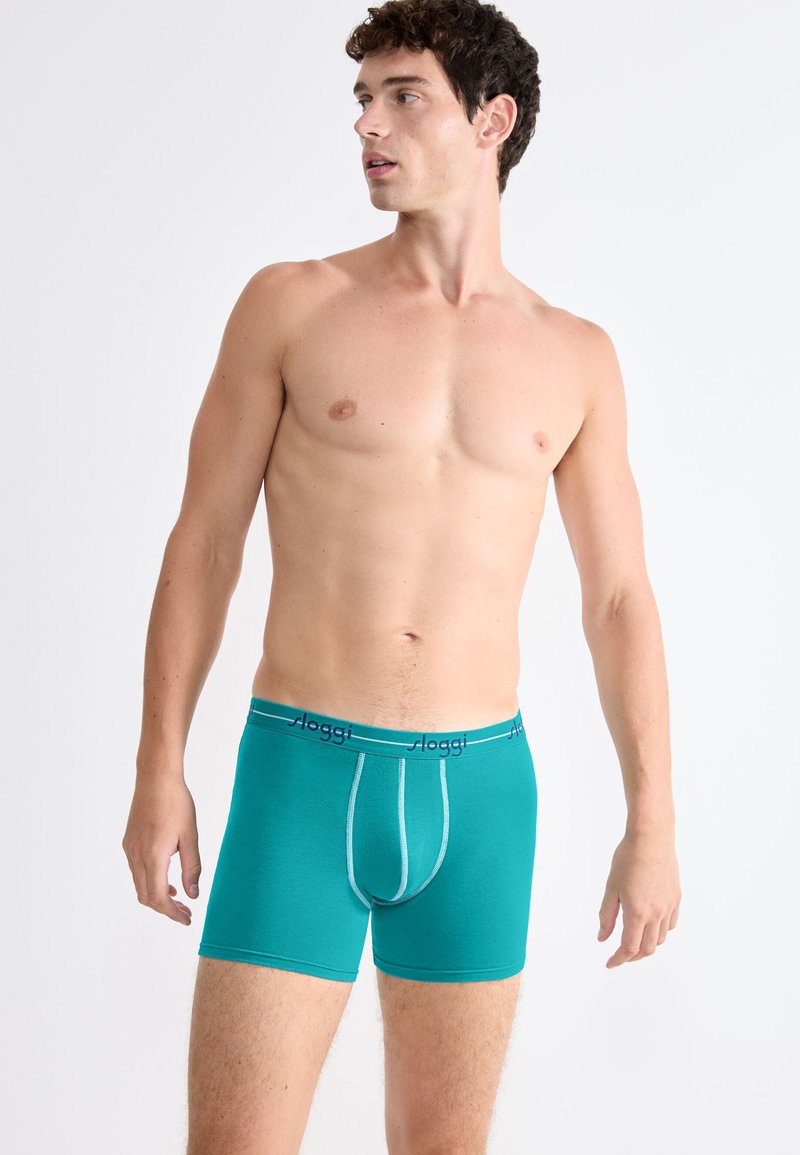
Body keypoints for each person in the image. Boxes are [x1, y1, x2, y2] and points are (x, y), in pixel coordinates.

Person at [122, 1, 681, 1151]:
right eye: (362, 100)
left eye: (402, 97)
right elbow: (204, 542)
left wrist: (653, 821)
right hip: (299, 777)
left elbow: (618, 599)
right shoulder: (291, 305)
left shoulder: (574, 356)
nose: (366, 125)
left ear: (491, 121)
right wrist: (157, 765)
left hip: (482, 797)